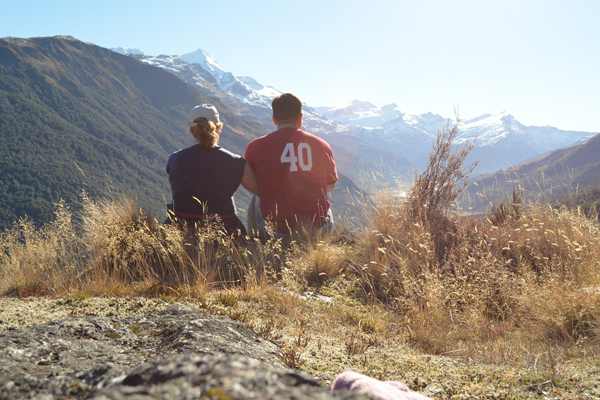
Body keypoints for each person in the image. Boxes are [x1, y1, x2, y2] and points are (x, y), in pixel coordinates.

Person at [245, 93, 338, 240]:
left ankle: (256, 241)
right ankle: (323, 242)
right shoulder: (321, 145)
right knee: (323, 194)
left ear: (274, 119)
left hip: (276, 231)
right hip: (316, 230)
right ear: (300, 119)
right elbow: (331, 185)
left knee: (257, 196)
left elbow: (251, 182)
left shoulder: (255, 147)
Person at [166, 104, 259, 237]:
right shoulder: (235, 161)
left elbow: (175, 187)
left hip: (179, 234)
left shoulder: (174, 159)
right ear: (219, 128)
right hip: (224, 235)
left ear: (192, 131)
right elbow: (260, 191)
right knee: (241, 197)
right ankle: (268, 236)